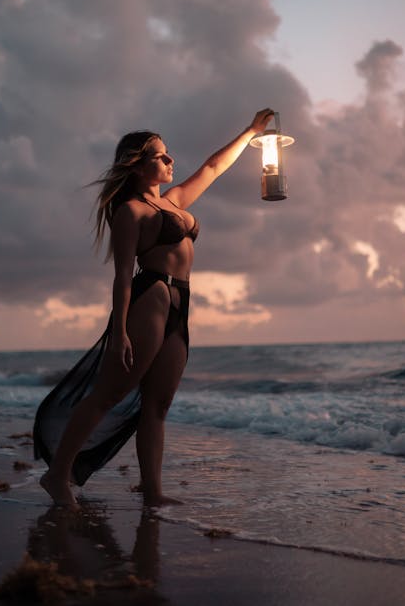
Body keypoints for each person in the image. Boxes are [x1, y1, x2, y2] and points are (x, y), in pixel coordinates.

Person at [34, 108, 274, 508]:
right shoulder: (130, 211)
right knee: (110, 393)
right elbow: (124, 274)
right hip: (152, 296)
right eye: (161, 156)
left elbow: (213, 168)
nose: (170, 161)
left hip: (182, 299)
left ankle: (152, 489)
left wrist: (250, 132)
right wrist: (120, 331)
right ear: (138, 165)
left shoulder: (176, 201)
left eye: (168, 154)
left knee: (158, 404)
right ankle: (57, 475)